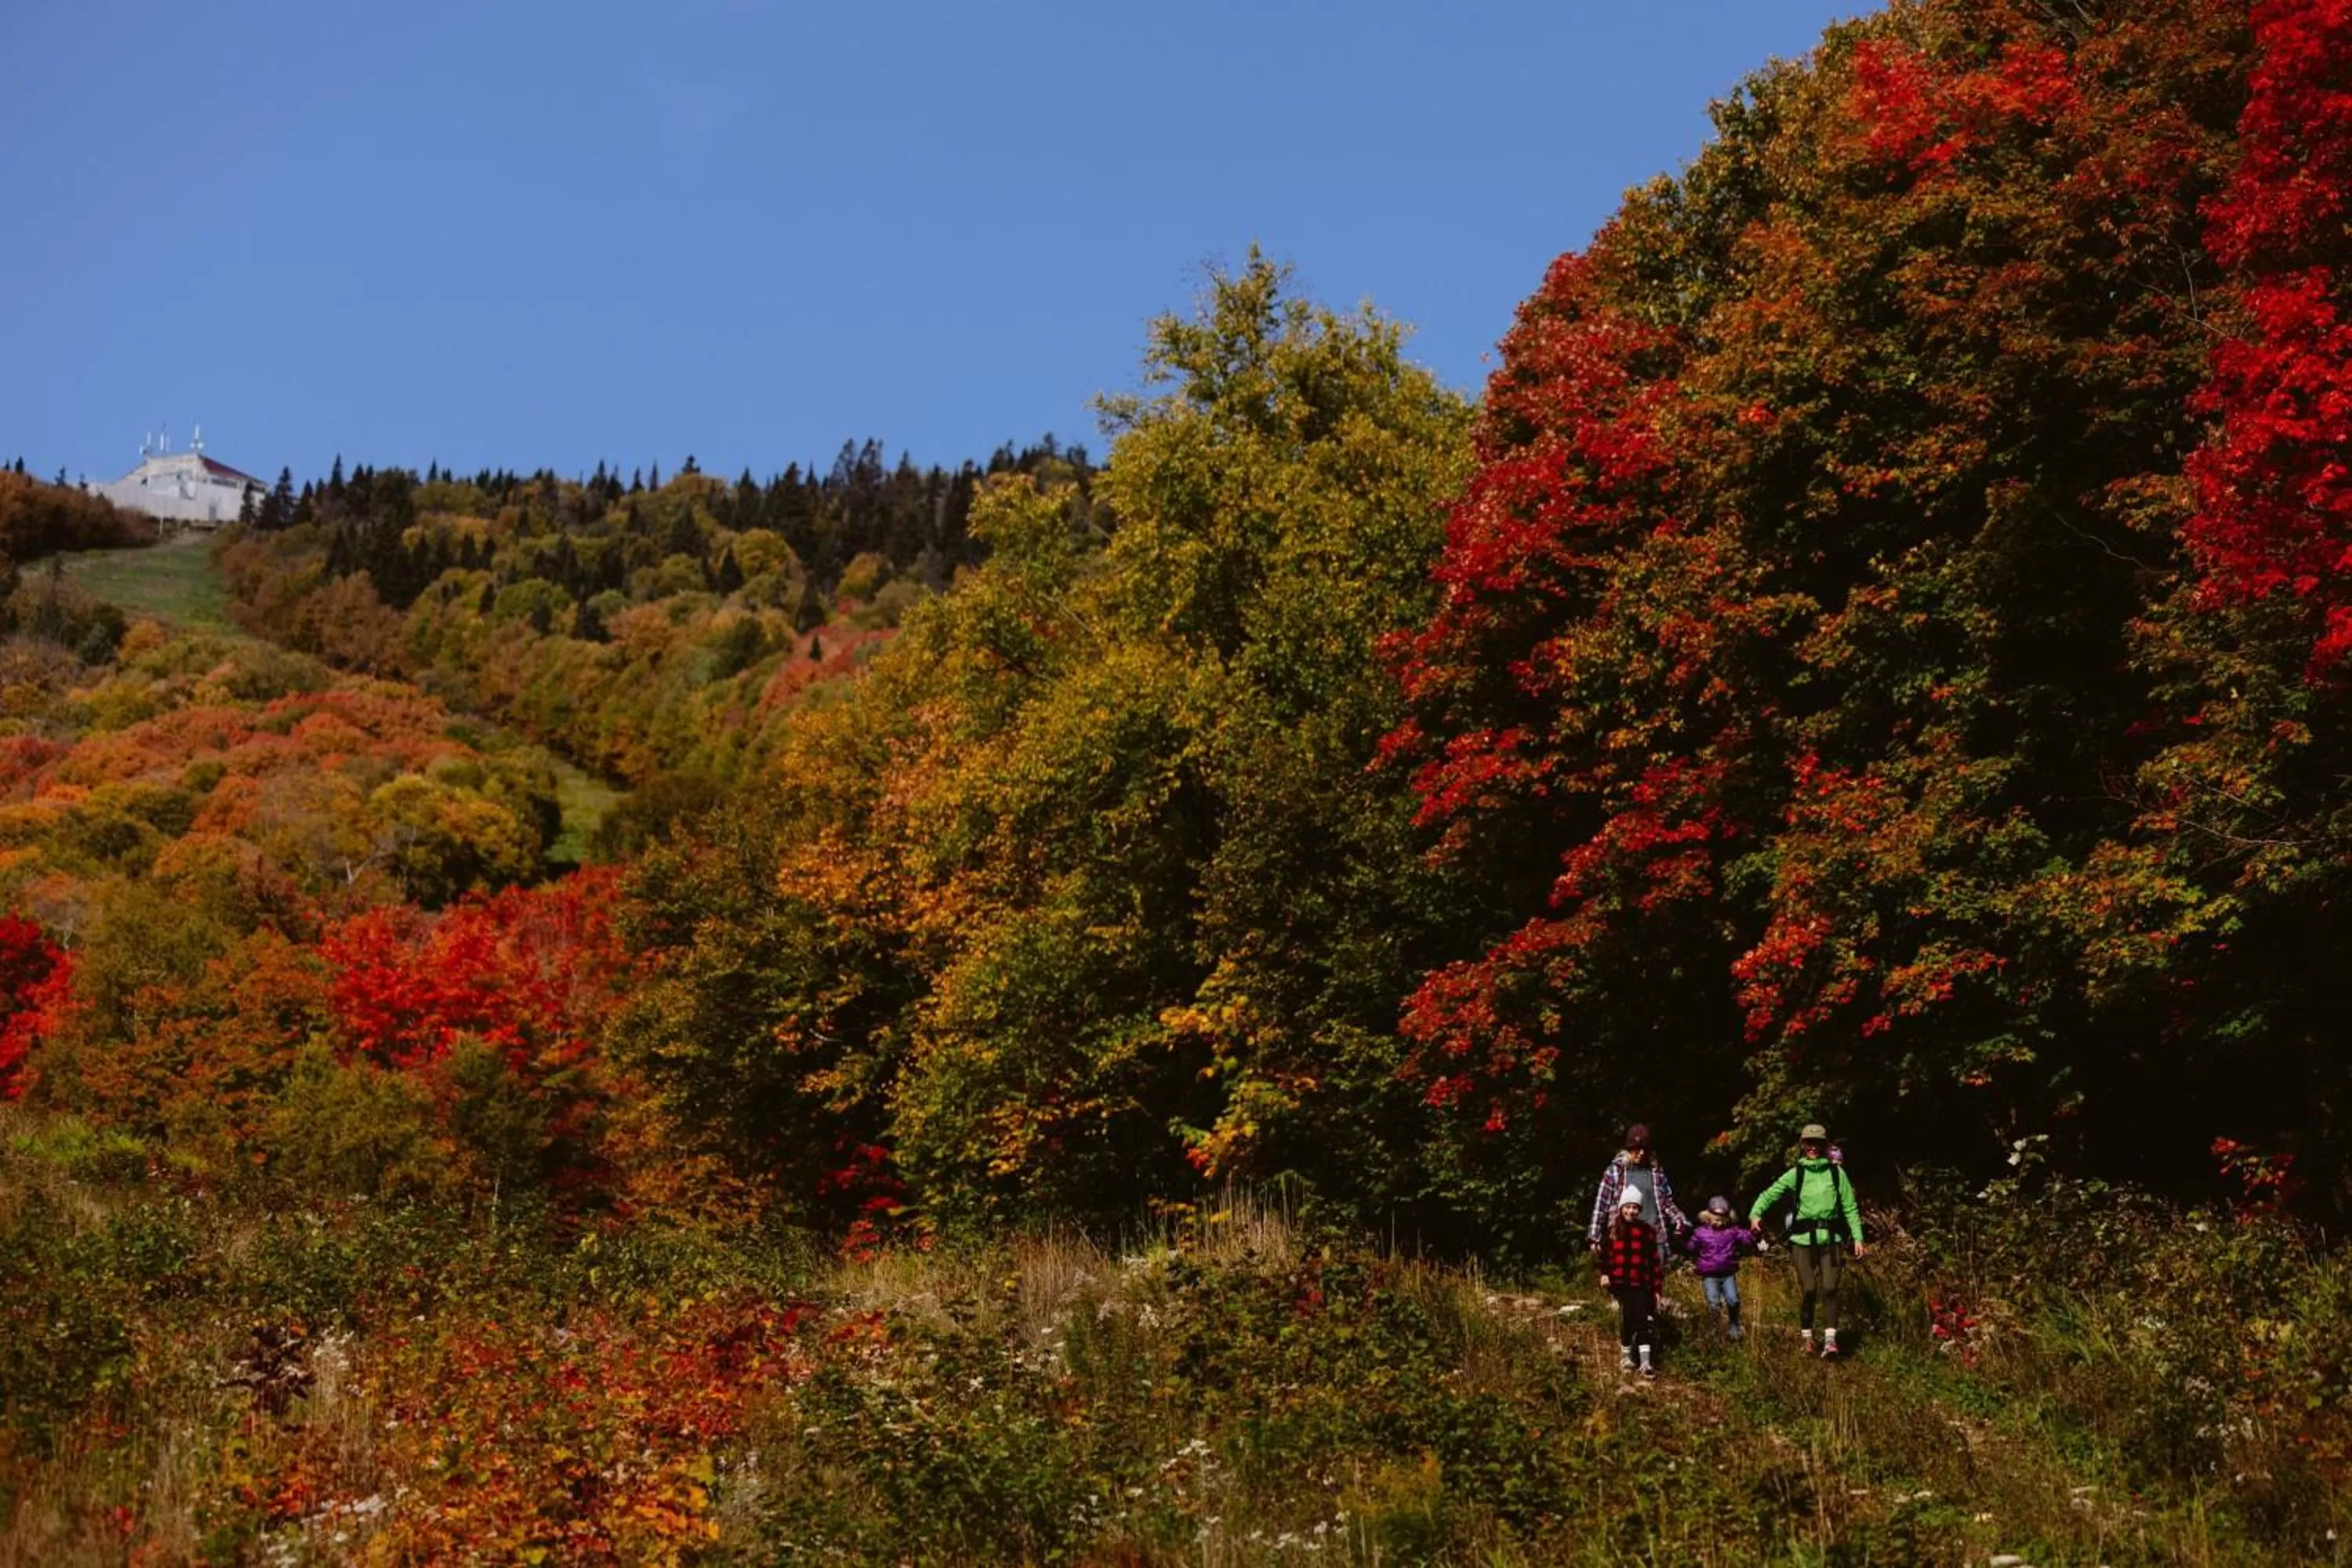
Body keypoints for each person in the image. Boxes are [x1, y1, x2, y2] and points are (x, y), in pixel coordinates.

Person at [1748, 1123, 1867, 1358]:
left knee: (1831, 1288)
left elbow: (1850, 1207)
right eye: (1809, 1143)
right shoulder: (1797, 1173)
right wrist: (1755, 1214)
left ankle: (1831, 1342)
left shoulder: (1836, 1173)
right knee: (1810, 1289)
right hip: (1802, 1240)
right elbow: (1770, 1194)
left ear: (1824, 1145)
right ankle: (1807, 1337)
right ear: (1803, 1145)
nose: (1813, 1147)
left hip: (1831, 1239)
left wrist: (1858, 1237)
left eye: (1818, 1143)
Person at [1587, 1123, 1690, 1268]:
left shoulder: (1656, 1172)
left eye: (1645, 1149)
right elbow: (1601, 1205)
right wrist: (1594, 1237)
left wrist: (1680, 1221)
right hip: (1624, 1239)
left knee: (1654, 1285)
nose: (1641, 1153)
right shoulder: (1615, 1171)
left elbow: (1666, 1203)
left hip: (1653, 1239)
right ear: (1628, 1148)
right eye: (1637, 1149)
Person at [1597, 1184, 1663, 1377]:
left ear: (1640, 1210)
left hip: (1641, 1282)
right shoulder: (1613, 1230)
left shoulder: (1647, 1232)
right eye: (1628, 1207)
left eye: (1635, 1207)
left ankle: (1645, 1362)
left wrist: (1657, 1288)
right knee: (1629, 1316)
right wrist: (1604, 1274)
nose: (1631, 1211)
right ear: (1621, 1208)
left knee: (1642, 1317)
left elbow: (1654, 1262)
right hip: (1620, 1282)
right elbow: (1605, 1257)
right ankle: (1626, 1356)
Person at [1682, 1195, 1761, 1340]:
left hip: (1728, 1273)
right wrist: (1682, 1237)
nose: (1718, 1223)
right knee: (1714, 1303)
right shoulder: (1701, 1232)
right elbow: (1690, 1246)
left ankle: (1734, 1325)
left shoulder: (1732, 1231)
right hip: (1709, 1274)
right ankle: (1714, 1329)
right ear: (1708, 1217)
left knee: (1733, 1299)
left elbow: (1747, 1238)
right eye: (1715, 1220)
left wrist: (1755, 1233)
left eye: (1722, 1220)